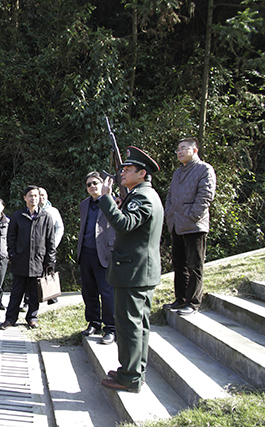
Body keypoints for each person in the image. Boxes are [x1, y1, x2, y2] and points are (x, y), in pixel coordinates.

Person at [97, 146, 163, 393]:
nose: (122, 173)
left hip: (133, 273)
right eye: (122, 169)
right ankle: (131, 371)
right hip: (136, 272)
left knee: (129, 326)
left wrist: (105, 198)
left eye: (128, 169)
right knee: (136, 325)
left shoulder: (144, 197)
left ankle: (131, 377)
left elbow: (124, 224)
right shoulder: (141, 195)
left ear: (142, 173)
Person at [163, 137, 216, 315]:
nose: (179, 151)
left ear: (194, 150)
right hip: (177, 223)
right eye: (178, 149)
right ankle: (180, 299)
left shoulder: (204, 169)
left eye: (183, 148)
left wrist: (193, 216)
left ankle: (193, 303)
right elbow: (170, 195)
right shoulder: (177, 173)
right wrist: (169, 213)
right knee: (179, 264)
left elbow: (205, 196)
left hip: (194, 225)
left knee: (195, 265)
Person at [0, 186, 56, 330]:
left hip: (38, 261)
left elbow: (51, 240)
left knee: (34, 294)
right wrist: (13, 255)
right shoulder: (18, 216)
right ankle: (10, 319)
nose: (33, 198)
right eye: (30, 196)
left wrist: (49, 261)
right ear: (24, 198)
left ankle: (32, 318)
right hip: (20, 260)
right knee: (16, 293)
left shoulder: (46, 216)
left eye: (36, 196)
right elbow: (10, 238)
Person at [77, 172, 116, 344]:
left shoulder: (113, 201)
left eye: (95, 183)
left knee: (107, 292)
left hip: (105, 253)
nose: (92, 186)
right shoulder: (84, 204)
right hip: (86, 252)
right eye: (88, 184)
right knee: (88, 291)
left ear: (103, 184)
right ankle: (93, 322)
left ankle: (111, 328)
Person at [38, 187, 64, 305]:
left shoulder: (53, 211)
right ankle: (30, 299)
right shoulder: (32, 211)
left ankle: (51, 296)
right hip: (36, 247)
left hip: (50, 246)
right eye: (39, 195)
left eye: (43, 194)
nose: (41, 197)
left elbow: (59, 228)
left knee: (49, 270)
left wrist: (54, 244)